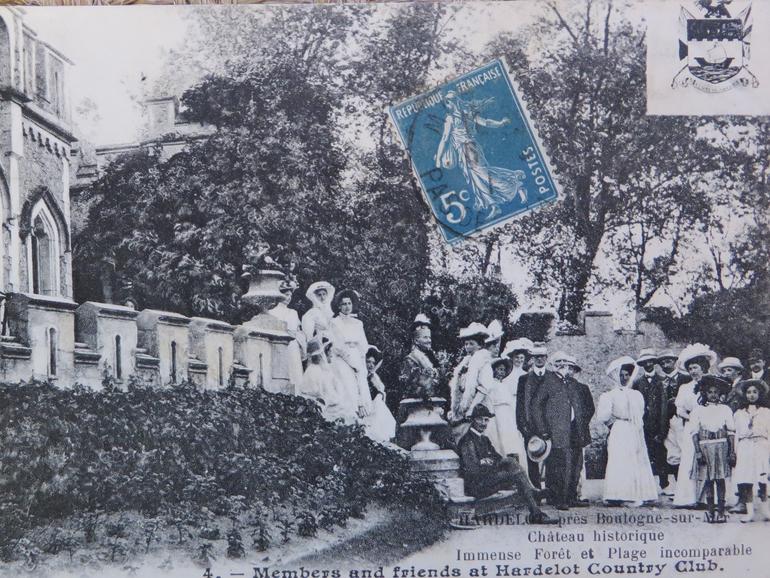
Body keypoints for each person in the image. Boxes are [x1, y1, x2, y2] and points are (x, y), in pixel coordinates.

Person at [456, 405, 559, 525]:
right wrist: (488, 463)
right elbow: (473, 470)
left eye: (486, 419)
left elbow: (497, 459)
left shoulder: (484, 440)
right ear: (473, 420)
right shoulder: (468, 441)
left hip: (487, 479)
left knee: (510, 461)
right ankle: (534, 502)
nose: (483, 423)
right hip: (476, 486)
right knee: (514, 473)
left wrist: (487, 461)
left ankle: (534, 506)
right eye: (480, 419)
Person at [433, 91, 528, 221]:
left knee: (483, 173)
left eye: (448, 102)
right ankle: (493, 205)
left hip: (468, 148)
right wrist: (500, 123)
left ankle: (515, 185)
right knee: (476, 176)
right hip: (467, 149)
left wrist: (438, 158)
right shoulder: (468, 113)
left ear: (450, 103)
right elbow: (486, 122)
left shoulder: (452, 118)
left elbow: (444, 139)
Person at [531, 351, 595, 510]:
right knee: (560, 465)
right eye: (562, 364)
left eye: (566, 364)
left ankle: (572, 497)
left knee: (576, 464)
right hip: (557, 431)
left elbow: (585, 407)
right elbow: (536, 407)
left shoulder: (572, 383)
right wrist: (543, 430)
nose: (565, 367)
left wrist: (581, 422)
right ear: (556, 365)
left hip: (575, 429)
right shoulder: (547, 382)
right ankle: (559, 498)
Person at [597, 356, 659, 507]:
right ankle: (617, 494)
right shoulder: (610, 395)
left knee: (635, 459)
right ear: (616, 376)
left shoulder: (636, 394)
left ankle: (635, 493)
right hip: (619, 429)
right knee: (620, 460)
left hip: (634, 429)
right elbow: (603, 416)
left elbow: (641, 413)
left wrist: (636, 425)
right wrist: (613, 424)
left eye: (627, 375)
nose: (624, 378)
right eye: (621, 375)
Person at [673, 344, 716, 508]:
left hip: (711, 426)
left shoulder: (712, 384)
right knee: (691, 458)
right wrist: (691, 417)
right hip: (692, 427)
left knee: (710, 459)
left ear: (703, 367)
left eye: (696, 367)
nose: (693, 371)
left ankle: (707, 498)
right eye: (690, 368)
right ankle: (688, 498)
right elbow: (679, 409)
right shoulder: (685, 388)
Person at [689, 376, 735, 523]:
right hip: (705, 446)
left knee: (720, 479)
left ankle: (721, 511)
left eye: (716, 392)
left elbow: (731, 432)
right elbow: (695, 433)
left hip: (721, 445)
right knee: (708, 480)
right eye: (710, 392)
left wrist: (732, 451)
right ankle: (710, 511)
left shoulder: (725, 409)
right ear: (705, 394)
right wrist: (697, 451)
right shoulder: (698, 411)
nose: (713, 395)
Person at [331, 289, 373, 420]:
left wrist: (360, 361)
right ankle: (349, 418)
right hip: (342, 359)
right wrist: (350, 361)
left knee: (361, 385)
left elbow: (363, 344)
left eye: (349, 303)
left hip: (356, 355)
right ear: (339, 306)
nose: (347, 306)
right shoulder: (334, 322)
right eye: (344, 304)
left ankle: (363, 420)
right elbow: (336, 345)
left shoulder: (358, 323)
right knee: (348, 386)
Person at [733, 379, 770, 523]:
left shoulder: (766, 412)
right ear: (744, 395)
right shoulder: (739, 413)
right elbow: (736, 434)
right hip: (745, 447)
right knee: (746, 479)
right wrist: (735, 452)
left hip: (761, 446)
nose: (752, 395)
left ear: (760, 394)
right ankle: (749, 512)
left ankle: (765, 509)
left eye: (755, 392)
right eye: (748, 392)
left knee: (762, 478)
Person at [633, 348, 670, 493]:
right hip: (643, 424)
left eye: (650, 361)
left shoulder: (662, 380)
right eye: (645, 362)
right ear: (642, 364)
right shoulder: (637, 382)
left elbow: (664, 407)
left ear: (654, 363)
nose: (648, 364)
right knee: (644, 454)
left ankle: (664, 484)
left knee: (661, 454)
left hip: (658, 423)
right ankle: (646, 485)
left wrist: (662, 430)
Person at [449, 322, 493, 441]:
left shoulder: (483, 362)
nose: (467, 347)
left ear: (480, 346)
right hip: (464, 410)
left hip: (478, 408)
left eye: (471, 344)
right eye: (466, 344)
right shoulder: (466, 362)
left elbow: (484, 388)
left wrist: (471, 409)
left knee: (474, 441)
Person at [516, 345, 552, 489]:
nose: (539, 359)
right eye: (536, 356)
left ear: (546, 358)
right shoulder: (524, 379)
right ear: (532, 359)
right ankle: (536, 490)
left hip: (549, 425)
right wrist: (523, 426)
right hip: (530, 426)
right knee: (532, 459)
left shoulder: (552, 377)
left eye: (542, 356)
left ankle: (551, 492)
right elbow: (519, 405)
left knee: (551, 460)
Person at [659, 349, 690, 496]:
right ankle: (675, 486)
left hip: (681, 419)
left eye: (668, 361)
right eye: (663, 362)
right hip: (666, 420)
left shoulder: (685, 378)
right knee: (672, 452)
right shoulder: (660, 381)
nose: (666, 364)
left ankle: (685, 485)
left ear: (675, 361)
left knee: (685, 449)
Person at [267, 279, 306, 395]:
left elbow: (298, 331)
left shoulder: (293, 312)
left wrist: (301, 343)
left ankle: (297, 396)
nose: (288, 297)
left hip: (293, 345)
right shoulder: (272, 312)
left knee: (295, 371)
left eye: (290, 295)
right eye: (286, 294)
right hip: (280, 344)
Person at [485, 357, 527, 462]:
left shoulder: (504, 385)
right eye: (499, 369)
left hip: (508, 416)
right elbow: (489, 401)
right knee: (500, 440)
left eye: (503, 370)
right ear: (494, 370)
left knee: (511, 440)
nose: (501, 372)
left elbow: (511, 402)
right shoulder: (491, 384)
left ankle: (513, 462)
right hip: (498, 414)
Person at [399, 315, 441, 401]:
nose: (429, 340)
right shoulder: (411, 358)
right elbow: (409, 385)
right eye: (425, 337)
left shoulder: (430, 357)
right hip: (417, 403)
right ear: (416, 340)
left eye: (429, 337)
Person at [364, 346, 397, 442]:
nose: (371, 365)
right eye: (368, 362)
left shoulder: (374, 377)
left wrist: (379, 395)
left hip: (374, 406)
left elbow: (381, 391)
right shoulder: (360, 376)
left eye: (373, 363)